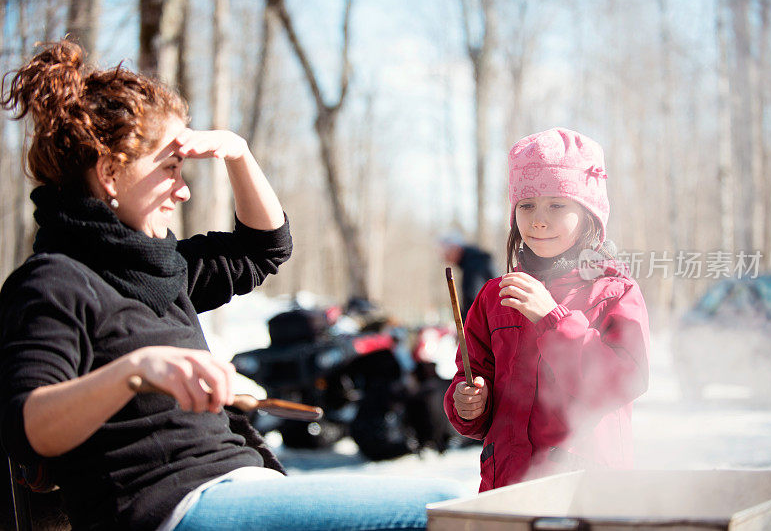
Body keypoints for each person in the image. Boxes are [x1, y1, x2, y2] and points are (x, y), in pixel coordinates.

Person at [0, 41, 462, 531]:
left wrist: (238, 154)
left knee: (459, 509)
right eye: (170, 168)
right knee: (441, 510)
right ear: (111, 173)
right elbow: (26, 427)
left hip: (242, 482)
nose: (184, 188)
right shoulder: (54, 282)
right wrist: (133, 371)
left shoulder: (163, 269)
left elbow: (265, 247)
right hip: (166, 508)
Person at [444, 128, 650, 491]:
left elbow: (624, 380)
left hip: (586, 493)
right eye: (527, 205)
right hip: (506, 488)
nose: (538, 219)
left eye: (557, 204)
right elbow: (472, 376)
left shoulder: (614, 291)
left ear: (589, 214)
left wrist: (552, 319)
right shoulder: (496, 296)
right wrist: (467, 402)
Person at [439, 232, 497, 321]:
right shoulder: (473, 261)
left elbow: (472, 300)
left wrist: (465, 325)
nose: (444, 257)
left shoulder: (474, 264)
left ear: (455, 248)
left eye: (446, 252)